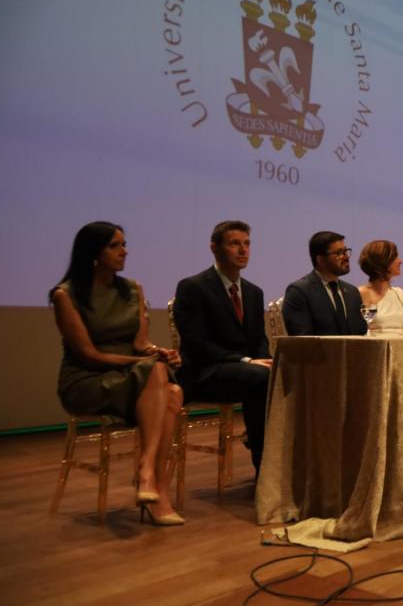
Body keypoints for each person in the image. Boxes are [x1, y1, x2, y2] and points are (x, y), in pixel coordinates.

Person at [51, 222, 184, 525]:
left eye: (124, 244)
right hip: (86, 379)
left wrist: (157, 351)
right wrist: (141, 363)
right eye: (115, 245)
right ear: (93, 253)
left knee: (172, 389)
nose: (125, 251)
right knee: (160, 379)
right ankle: (150, 479)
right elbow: (89, 355)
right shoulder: (65, 295)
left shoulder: (132, 289)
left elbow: (140, 344)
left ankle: (152, 480)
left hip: (128, 376)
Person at [173, 220, 271, 476]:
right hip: (204, 372)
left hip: (245, 371)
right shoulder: (193, 287)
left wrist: (264, 359)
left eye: (247, 244)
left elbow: (259, 338)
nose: (243, 250)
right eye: (234, 244)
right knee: (260, 377)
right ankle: (265, 469)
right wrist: (247, 361)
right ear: (214, 248)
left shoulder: (253, 292)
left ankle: (282, 462)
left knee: (282, 373)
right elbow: (196, 344)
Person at [282, 231, 367, 336]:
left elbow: (361, 332)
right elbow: (302, 339)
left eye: (346, 251)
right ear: (320, 259)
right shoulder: (300, 291)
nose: (346, 257)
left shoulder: (352, 292)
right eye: (339, 253)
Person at [357, 240, 403, 336]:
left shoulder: (401, 294)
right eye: (395, 257)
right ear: (383, 262)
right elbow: (361, 333)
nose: (400, 261)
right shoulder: (362, 293)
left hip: (402, 349)